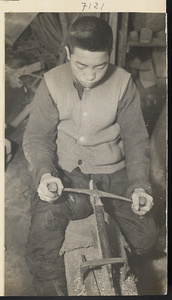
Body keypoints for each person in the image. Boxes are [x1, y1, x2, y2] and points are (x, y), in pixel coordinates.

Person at [23, 16, 159, 296]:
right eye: (81, 65)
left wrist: (139, 186)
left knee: (146, 238)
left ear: (110, 55)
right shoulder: (51, 83)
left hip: (113, 175)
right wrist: (45, 174)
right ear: (68, 53)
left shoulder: (123, 84)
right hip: (67, 175)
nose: (90, 75)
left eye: (100, 66)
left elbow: (135, 139)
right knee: (42, 243)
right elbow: (38, 137)